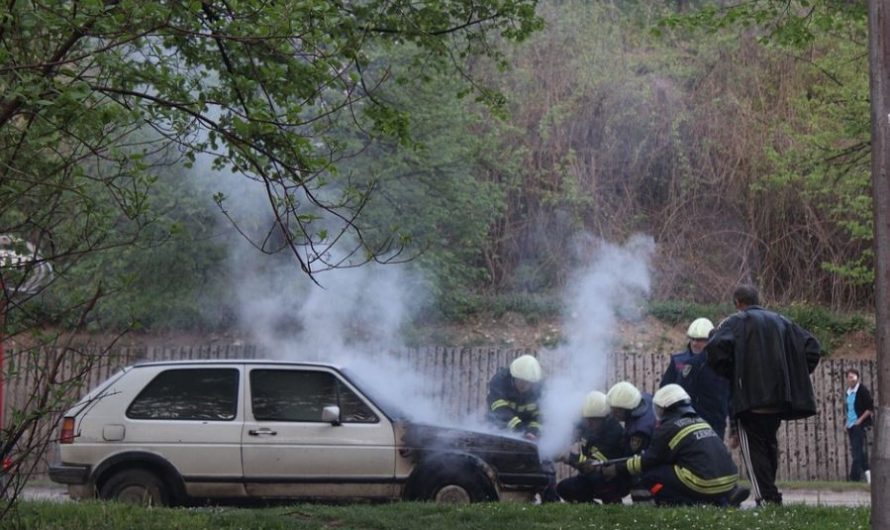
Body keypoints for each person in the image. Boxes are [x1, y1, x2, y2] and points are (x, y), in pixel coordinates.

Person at [706, 284, 821, 506]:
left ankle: (766, 498)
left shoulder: (735, 322)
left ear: (738, 303)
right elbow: (812, 348)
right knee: (768, 448)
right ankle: (771, 496)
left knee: (753, 452)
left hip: (750, 400)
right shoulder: (783, 321)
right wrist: (794, 374)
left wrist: (733, 372)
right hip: (779, 401)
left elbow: (715, 347)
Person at [609, 384, 748, 507]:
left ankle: (681, 503)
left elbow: (649, 460)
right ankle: (721, 501)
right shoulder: (699, 420)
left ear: (667, 408)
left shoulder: (668, 428)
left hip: (703, 482)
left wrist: (618, 468)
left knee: (650, 475)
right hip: (729, 479)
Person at [660, 317, 731, 439]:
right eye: (692, 339)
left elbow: (728, 394)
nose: (694, 343)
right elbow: (665, 389)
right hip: (684, 421)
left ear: (710, 341)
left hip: (713, 422)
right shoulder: (678, 361)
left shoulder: (721, 364)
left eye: (700, 340)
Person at [556, 391, 628, 504]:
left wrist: (568, 457)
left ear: (605, 418)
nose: (589, 423)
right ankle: (592, 508)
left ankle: (613, 505)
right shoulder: (586, 423)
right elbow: (572, 434)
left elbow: (595, 464)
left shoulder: (614, 432)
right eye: (586, 419)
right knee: (564, 488)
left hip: (613, 478)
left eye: (593, 420)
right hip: (589, 475)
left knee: (597, 476)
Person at [486, 354, 543, 439]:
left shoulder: (540, 390)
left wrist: (533, 430)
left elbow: (540, 416)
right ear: (513, 377)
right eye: (521, 381)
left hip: (526, 429)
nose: (524, 386)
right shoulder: (500, 381)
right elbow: (500, 410)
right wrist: (519, 428)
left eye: (528, 383)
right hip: (498, 425)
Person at [606, 381, 656, 455]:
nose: (613, 415)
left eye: (616, 412)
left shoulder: (639, 432)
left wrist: (616, 466)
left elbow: (633, 458)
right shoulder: (644, 398)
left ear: (628, 410)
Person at [844, 368, 874, 482]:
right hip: (850, 426)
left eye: (853, 377)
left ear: (857, 378)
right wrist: (847, 422)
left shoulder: (862, 390)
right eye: (849, 377)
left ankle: (854, 478)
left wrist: (860, 420)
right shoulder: (848, 392)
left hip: (859, 425)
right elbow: (850, 409)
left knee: (857, 453)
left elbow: (870, 408)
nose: (851, 379)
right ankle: (868, 473)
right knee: (858, 451)